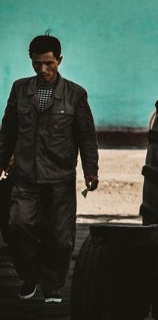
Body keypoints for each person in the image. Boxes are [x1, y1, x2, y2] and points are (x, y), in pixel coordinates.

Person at [0, 35, 99, 303]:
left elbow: (86, 136)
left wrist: (91, 170)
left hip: (60, 178)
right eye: (36, 64)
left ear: (59, 61)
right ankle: (30, 274)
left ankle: (52, 285)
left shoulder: (75, 94)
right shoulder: (20, 89)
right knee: (17, 225)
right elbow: (7, 131)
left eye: (48, 64)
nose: (42, 70)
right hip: (25, 177)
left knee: (61, 237)